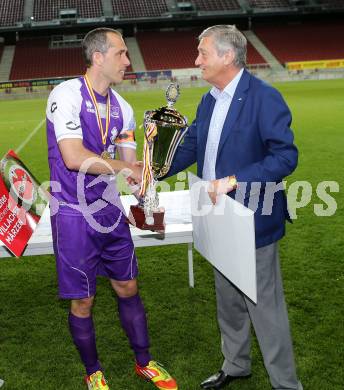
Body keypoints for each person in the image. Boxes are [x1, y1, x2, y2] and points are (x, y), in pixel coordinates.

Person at [165, 25, 303, 389]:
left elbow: (286, 156)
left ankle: (286, 384)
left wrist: (235, 179)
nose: (196, 61)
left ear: (227, 56)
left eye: (203, 54)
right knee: (227, 300)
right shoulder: (210, 98)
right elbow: (191, 145)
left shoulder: (263, 97)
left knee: (265, 308)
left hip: (252, 218)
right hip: (216, 215)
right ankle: (236, 364)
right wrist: (153, 171)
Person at [46, 27, 178, 390]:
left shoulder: (124, 108)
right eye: (121, 53)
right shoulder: (66, 94)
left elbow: (132, 167)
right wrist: (126, 169)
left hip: (109, 210)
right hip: (73, 212)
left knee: (128, 285)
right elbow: (73, 157)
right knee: (83, 300)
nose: (128, 60)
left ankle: (144, 361)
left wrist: (145, 196)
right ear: (98, 57)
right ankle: (93, 372)